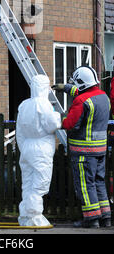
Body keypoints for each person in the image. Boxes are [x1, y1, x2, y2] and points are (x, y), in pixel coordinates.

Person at [53, 66, 111, 228]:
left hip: (84, 152)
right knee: (99, 182)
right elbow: (84, 93)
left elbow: (70, 123)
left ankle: (91, 219)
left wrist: (57, 119)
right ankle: (105, 217)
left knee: (86, 185)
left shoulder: (81, 101)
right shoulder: (103, 97)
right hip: (100, 150)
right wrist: (66, 88)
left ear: (81, 83)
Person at [16, 74, 61, 227]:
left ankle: (25, 216)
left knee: (27, 183)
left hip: (27, 146)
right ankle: (35, 217)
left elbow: (19, 131)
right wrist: (57, 115)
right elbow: (52, 125)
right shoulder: (44, 104)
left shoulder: (23, 105)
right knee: (39, 183)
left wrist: (24, 148)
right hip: (41, 148)